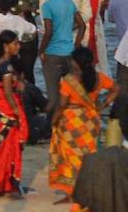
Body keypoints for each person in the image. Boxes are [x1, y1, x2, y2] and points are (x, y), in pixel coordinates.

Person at [48, 46, 117, 200]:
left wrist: (53, 120)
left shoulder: (69, 81)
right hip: (91, 121)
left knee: (70, 157)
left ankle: (72, 192)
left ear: (76, 63)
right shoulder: (98, 77)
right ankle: (87, 189)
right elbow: (116, 88)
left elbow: (61, 105)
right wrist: (103, 105)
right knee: (87, 156)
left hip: (72, 122)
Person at [0, 30, 28, 196]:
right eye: (15, 43)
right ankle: (0, 182)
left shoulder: (0, 63)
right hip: (6, 112)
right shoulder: (6, 67)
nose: (18, 46)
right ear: (5, 46)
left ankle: (2, 183)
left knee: (1, 149)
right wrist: (17, 112)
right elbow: (8, 92)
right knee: (5, 149)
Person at [36, 0, 84, 105]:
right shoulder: (68, 1)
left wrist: (41, 51)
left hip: (52, 55)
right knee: (72, 94)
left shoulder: (47, 5)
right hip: (69, 52)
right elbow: (81, 25)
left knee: (53, 96)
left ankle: (54, 124)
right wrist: (76, 45)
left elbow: (49, 31)